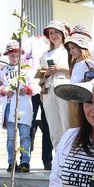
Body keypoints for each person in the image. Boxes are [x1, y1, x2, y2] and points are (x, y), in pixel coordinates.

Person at [0, 40, 35, 173]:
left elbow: (36, 86)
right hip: (9, 106)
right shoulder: (4, 71)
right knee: (11, 137)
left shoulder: (27, 70)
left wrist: (28, 89)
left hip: (24, 106)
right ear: (8, 56)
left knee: (25, 136)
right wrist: (4, 90)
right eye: (12, 55)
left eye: (17, 55)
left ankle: (25, 161)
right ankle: (11, 162)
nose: (14, 58)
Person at [37, 20, 70, 150]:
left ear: (63, 34)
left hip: (64, 86)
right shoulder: (45, 55)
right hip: (49, 89)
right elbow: (40, 76)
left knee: (66, 124)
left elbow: (76, 70)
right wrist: (46, 73)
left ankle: (70, 155)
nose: (54, 35)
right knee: (54, 127)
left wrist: (60, 68)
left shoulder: (68, 50)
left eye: (57, 32)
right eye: (51, 33)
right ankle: (59, 158)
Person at [23, 33, 53, 171]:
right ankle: (25, 159)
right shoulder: (27, 44)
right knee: (28, 125)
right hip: (30, 89)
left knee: (48, 125)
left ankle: (48, 160)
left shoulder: (49, 48)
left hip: (45, 87)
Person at [65, 24, 94, 127]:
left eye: (73, 48)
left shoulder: (89, 63)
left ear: (81, 47)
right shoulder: (75, 64)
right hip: (74, 100)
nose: (71, 51)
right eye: (69, 48)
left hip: (83, 99)